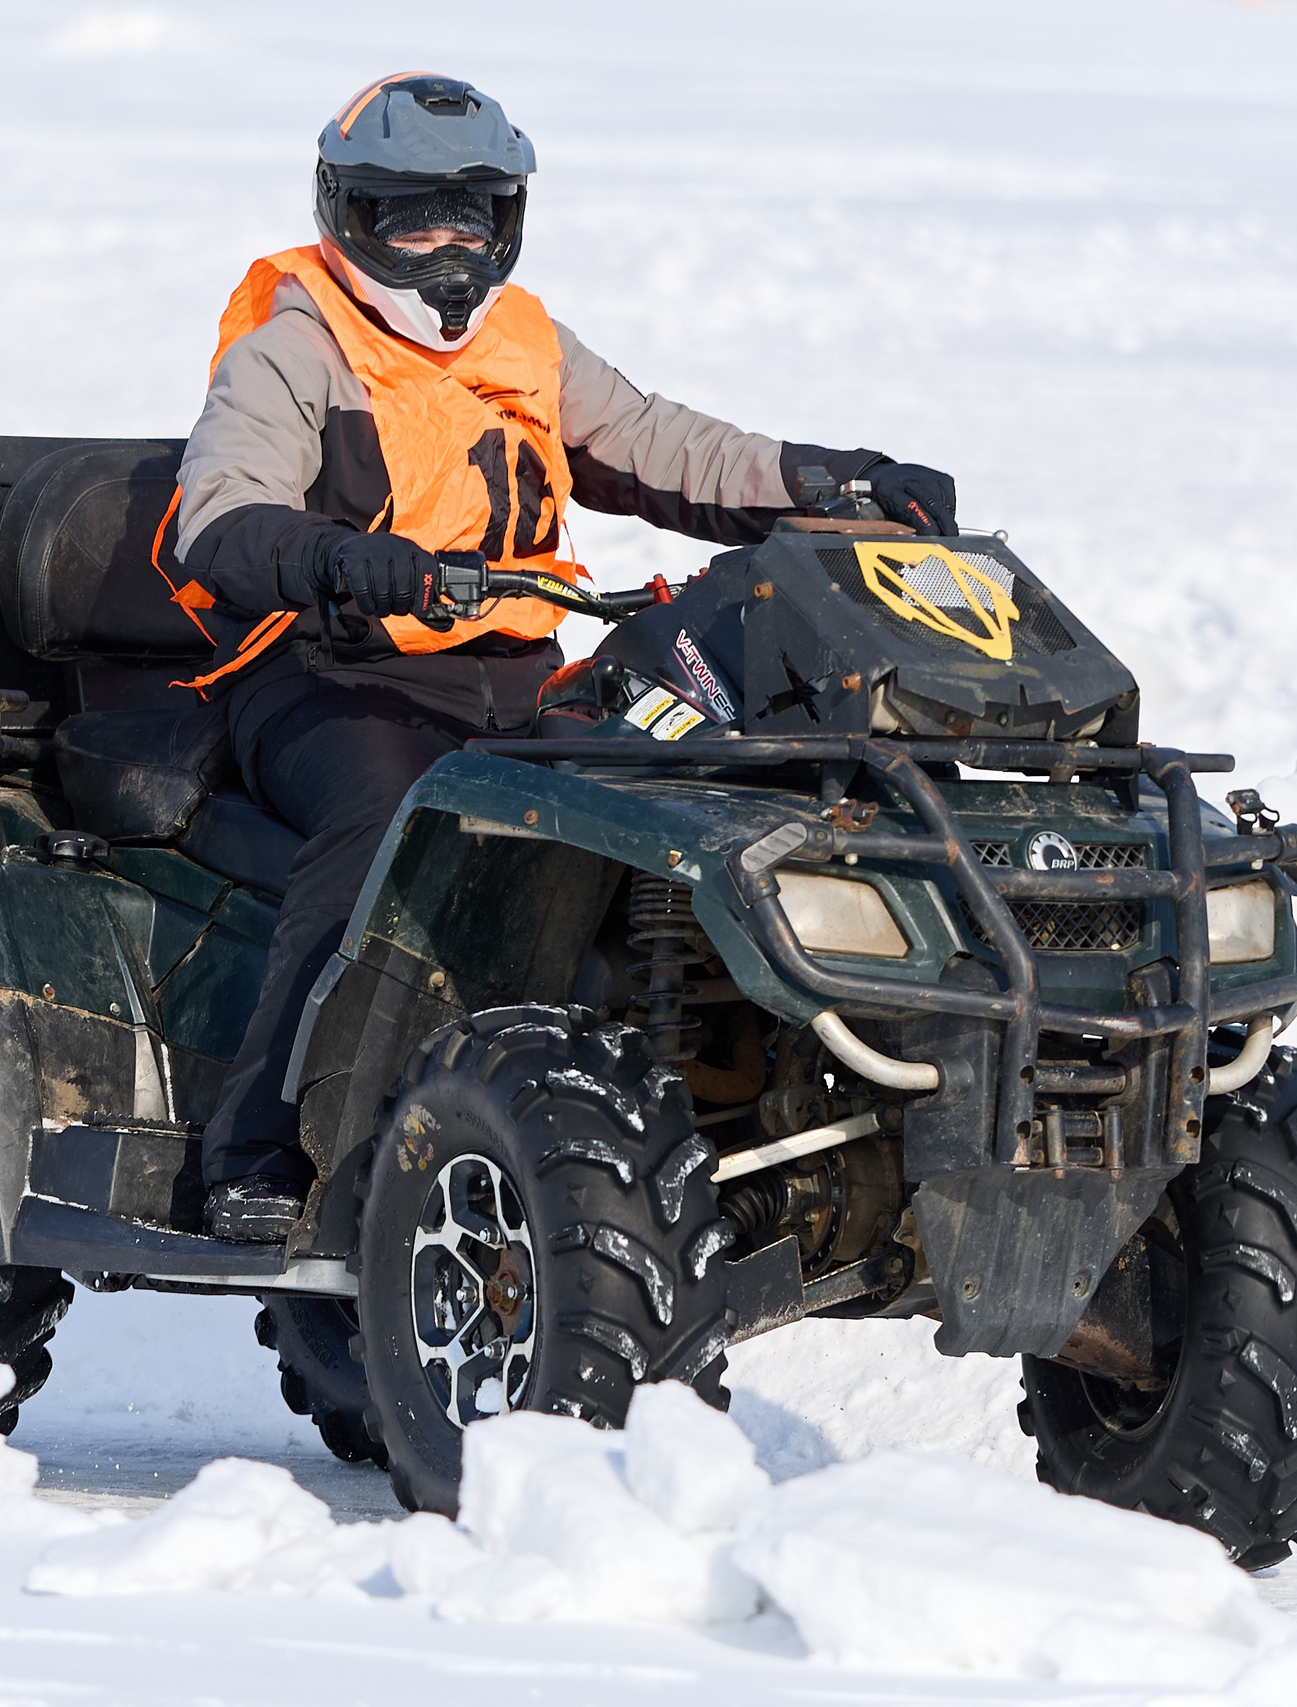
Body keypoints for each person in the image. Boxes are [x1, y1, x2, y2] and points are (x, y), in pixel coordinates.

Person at [174, 71, 958, 1241]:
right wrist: (348, 561)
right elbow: (218, 520)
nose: (445, 247)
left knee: (707, 790)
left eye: (472, 216)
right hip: (332, 678)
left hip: (513, 681)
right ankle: (261, 1149)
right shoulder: (294, 348)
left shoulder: (526, 339)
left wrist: (828, 478)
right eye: (410, 218)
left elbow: (659, 446)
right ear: (351, 216)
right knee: (384, 826)